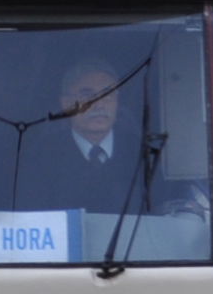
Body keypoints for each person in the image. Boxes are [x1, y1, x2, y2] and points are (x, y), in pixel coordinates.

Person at [12, 61, 148, 215]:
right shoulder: (41, 157)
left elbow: (161, 213)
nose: (99, 105)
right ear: (66, 104)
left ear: (117, 102)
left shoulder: (141, 152)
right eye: (87, 96)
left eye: (108, 95)